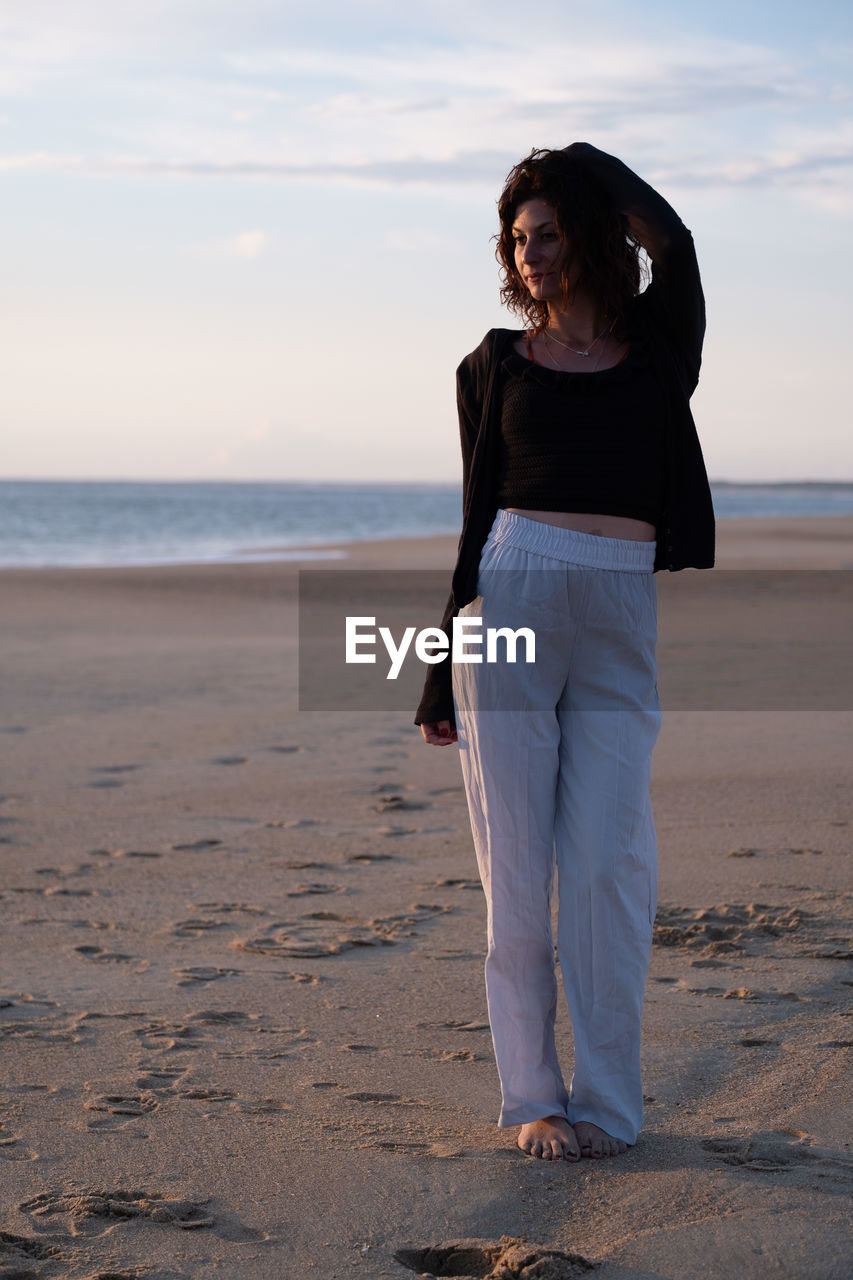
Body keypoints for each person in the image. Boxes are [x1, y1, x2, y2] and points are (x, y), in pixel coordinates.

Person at [415, 142, 714, 1162]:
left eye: (546, 231)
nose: (528, 251)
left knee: (608, 867)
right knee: (516, 869)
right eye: (516, 237)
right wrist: (429, 671)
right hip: (507, 595)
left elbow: (671, 242)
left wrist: (583, 161)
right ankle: (534, 1097)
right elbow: (471, 524)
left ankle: (609, 1105)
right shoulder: (493, 363)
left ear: (586, 235)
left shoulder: (660, 348)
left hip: (618, 611)